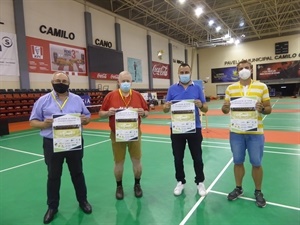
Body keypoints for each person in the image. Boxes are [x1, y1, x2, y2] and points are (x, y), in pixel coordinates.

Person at [29, 71, 92, 224]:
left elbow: (88, 117)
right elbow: (32, 121)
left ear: (69, 83)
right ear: (52, 82)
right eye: (58, 80)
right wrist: (44, 124)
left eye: (64, 80)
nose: (61, 83)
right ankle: (52, 207)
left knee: (77, 173)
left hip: (74, 142)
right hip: (52, 144)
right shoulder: (43, 101)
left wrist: (85, 120)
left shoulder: (77, 99)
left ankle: (83, 200)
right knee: (53, 176)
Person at [221, 59, 272, 208]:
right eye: (241, 68)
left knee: (256, 163)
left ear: (251, 69)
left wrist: (262, 108)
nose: (244, 70)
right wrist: (225, 107)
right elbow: (224, 110)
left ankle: (258, 191)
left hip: (255, 133)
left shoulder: (261, 87)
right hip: (236, 132)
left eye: (246, 67)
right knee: (238, 161)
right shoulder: (230, 89)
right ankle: (239, 188)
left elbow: (268, 109)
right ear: (237, 71)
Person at [99, 71, 149, 200]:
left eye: (128, 81)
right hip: (117, 134)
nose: (126, 83)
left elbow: (147, 112)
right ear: (118, 82)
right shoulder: (110, 96)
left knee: (137, 161)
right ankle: (119, 186)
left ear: (131, 82)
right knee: (118, 162)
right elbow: (100, 113)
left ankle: (137, 184)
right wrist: (107, 113)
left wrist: (143, 112)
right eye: (123, 81)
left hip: (134, 133)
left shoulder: (138, 96)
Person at [163, 63, 208, 196]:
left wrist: (201, 105)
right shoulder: (172, 89)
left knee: (197, 158)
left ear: (190, 72)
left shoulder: (198, 88)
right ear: (178, 73)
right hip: (177, 129)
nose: (184, 74)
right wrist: (166, 106)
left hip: (194, 128)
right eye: (181, 72)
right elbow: (166, 110)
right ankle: (180, 182)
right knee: (178, 158)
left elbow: (205, 108)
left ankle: (200, 182)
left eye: (186, 72)